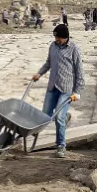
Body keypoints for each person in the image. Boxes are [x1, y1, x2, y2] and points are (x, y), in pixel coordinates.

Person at [31, 24, 83, 158]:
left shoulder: (74, 49)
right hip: (52, 87)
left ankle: (61, 145)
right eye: (55, 37)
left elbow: (80, 72)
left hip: (66, 89)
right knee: (46, 115)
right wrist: (39, 73)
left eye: (59, 37)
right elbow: (48, 63)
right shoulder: (53, 46)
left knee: (58, 118)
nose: (57, 39)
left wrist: (77, 91)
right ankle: (65, 118)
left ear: (66, 37)